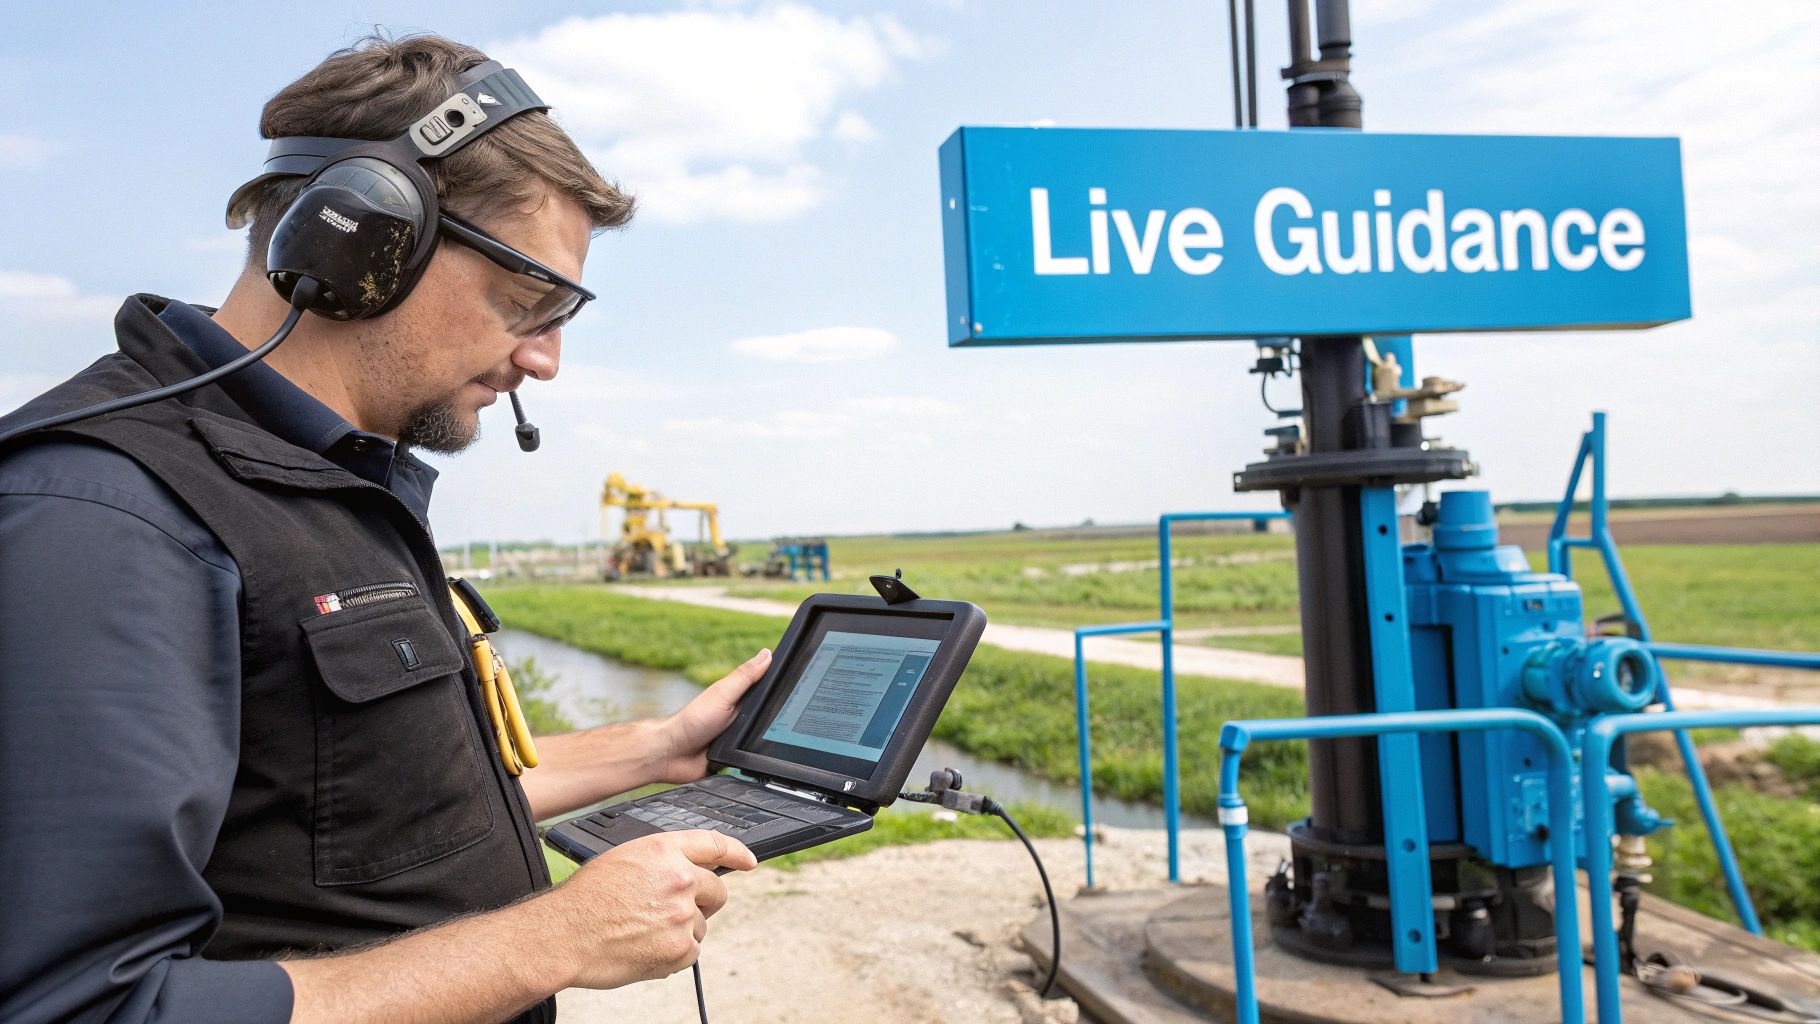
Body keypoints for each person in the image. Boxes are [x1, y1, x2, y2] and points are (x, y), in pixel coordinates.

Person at [0, 34, 769, 1024]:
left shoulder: (328, 483)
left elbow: (369, 815)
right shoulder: (105, 516)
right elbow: (80, 1008)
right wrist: (554, 937)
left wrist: (656, 747)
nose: (545, 360)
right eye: (526, 302)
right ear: (365, 242)